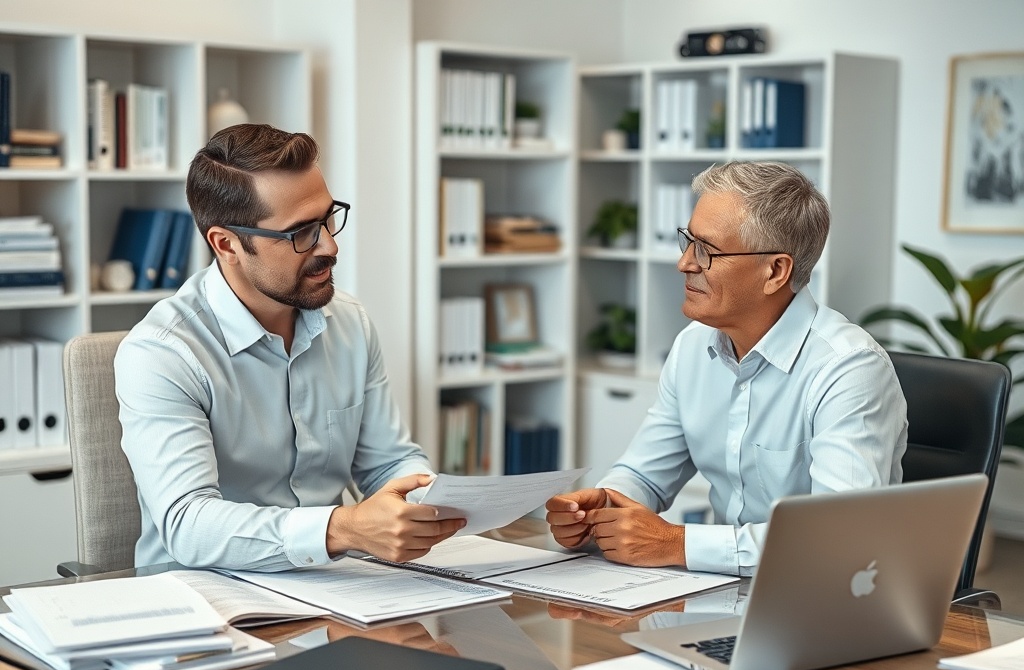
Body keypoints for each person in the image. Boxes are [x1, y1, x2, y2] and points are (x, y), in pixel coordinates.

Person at [115, 123, 463, 571]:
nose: (330, 246)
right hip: (207, 603)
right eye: (301, 233)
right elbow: (188, 524)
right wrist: (342, 528)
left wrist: (441, 505)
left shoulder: (350, 322)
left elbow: (387, 464)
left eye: (327, 219)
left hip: (335, 588)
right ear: (227, 244)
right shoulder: (162, 354)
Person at [547, 161, 907, 576]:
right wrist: (602, 508)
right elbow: (644, 474)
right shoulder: (692, 346)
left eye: (706, 250)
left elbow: (839, 539)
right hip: (722, 591)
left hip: (822, 601)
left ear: (775, 271)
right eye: (687, 241)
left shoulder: (849, 369)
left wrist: (674, 543)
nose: (684, 263)